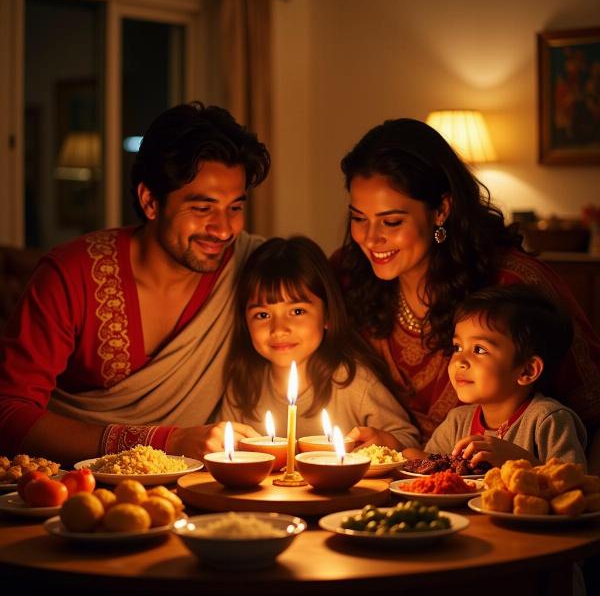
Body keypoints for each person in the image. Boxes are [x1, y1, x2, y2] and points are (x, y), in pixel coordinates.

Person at [0, 101, 271, 463]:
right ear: (150, 201)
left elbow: (332, 297)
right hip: (73, 493)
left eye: (235, 207)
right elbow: (9, 414)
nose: (224, 230)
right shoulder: (72, 275)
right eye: (203, 208)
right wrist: (163, 441)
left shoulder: (254, 266)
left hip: (202, 490)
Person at [333, 117, 600, 472]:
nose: (369, 238)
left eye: (391, 222)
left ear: (441, 210)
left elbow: (591, 409)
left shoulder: (511, 286)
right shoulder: (348, 276)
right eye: (359, 218)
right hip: (408, 481)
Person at [218, 236, 420, 450]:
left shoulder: (351, 382)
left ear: (327, 316)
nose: (279, 329)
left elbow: (407, 439)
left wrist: (385, 444)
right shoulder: (243, 385)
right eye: (262, 315)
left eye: (297, 311)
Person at [403, 284, 587, 468]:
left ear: (527, 371)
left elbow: (574, 486)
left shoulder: (548, 420)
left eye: (479, 349)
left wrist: (520, 463)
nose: (460, 361)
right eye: (457, 347)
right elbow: (432, 467)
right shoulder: (458, 421)